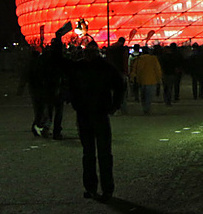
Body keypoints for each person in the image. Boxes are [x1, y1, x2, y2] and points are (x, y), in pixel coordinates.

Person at [68, 42, 125, 202]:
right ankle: (104, 189)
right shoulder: (105, 66)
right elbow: (120, 85)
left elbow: (70, 87)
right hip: (95, 113)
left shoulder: (81, 67)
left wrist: (76, 104)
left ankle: (93, 188)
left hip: (89, 113)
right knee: (101, 153)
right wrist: (114, 105)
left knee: (92, 153)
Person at [131, 46, 162, 114]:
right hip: (152, 80)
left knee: (143, 95)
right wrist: (158, 78)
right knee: (149, 96)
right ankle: (147, 108)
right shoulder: (153, 59)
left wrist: (133, 78)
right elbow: (157, 69)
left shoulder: (138, 59)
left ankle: (144, 107)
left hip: (141, 80)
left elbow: (134, 70)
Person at [106, 37, 130, 113]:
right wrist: (126, 72)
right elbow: (125, 61)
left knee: (111, 91)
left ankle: (113, 108)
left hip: (111, 72)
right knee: (122, 91)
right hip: (121, 72)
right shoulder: (123, 50)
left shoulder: (110, 49)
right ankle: (122, 108)